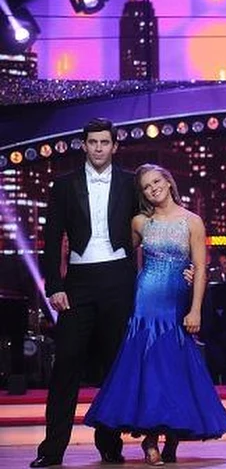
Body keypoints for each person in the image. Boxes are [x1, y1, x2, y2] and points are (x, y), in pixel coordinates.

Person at [83, 164, 226, 465]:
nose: (153, 188)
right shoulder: (140, 222)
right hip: (145, 301)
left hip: (175, 303)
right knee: (150, 368)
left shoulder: (192, 221)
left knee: (173, 369)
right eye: (146, 186)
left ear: (168, 181)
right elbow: (120, 257)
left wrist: (195, 309)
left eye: (156, 182)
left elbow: (201, 268)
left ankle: (172, 438)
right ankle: (151, 439)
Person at [32, 118, 139, 468]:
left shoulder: (130, 182)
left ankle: (110, 445)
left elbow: (150, 228)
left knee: (113, 366)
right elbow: (51, 239)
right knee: (66, 364)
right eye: (92, 142)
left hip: (119, 278)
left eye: (104, 142)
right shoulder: (65, 185)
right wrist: (54, 286)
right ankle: (51, 451)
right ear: (84, 145)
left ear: (114, 146)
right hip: (78, 281)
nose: (98, 148)